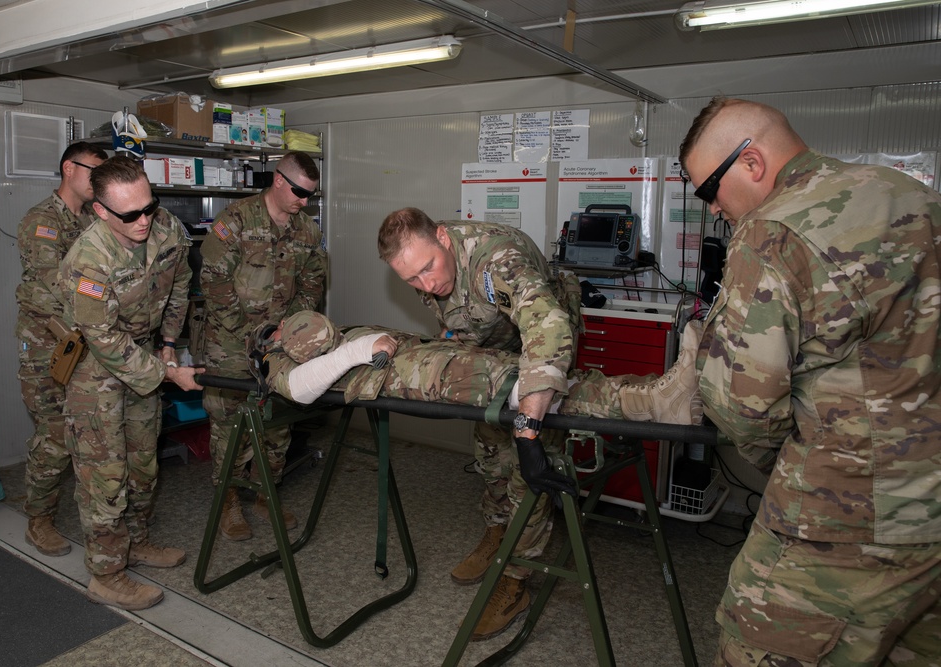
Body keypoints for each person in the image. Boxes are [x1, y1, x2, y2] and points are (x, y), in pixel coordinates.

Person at [680, 96, 941, 666]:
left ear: (750, 162)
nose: (716, 210)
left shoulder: (774, 230)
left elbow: (742, 406)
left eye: (709, 192)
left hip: (843, 521)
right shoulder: (913, 194)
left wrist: (788, 461)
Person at [376, 208, 599, 640]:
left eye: (428, 269)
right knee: (490, 450)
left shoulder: (497, 258)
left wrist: (530, 430)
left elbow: (548, 329)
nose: (426, 285)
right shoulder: (428, 262)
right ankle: (497, 533)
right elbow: (462, 321)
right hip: (497, 352)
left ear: (442, 236)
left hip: (543, 347)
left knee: (529, 470)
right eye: (412, 281)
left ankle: (515, 582)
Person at [58, 156, 205, 611]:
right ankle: (106, 573)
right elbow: (103, 340)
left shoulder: (166, 231)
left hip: (145, 353)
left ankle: (135, 543)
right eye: (130, 214)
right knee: (106, 475)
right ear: (101, 211)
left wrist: (167, 343)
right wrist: (168, 373)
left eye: (149, 207)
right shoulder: (88, 260)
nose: (144, 220)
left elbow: (179, 285)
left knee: (143, 463)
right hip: (94, 370)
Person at [251, 310, 702, 429]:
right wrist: (358, 350)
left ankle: (656, 392)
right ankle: (654, 403)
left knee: (533, 372)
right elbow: (300, 389)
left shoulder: (304, 337)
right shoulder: (276, 360)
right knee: (525, 388)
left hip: (424, 360)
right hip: (414, 375)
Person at [199, 151, 326, 542]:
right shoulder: (235, 221)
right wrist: (246, 333)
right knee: (230, 426)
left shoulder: (307, 231)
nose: (305, 203)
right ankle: (229, 501)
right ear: (278, 180)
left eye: (311, 196)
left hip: (280, 345)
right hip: (231, 342)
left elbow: (312, 281)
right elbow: (213, 281)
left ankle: (265, 494)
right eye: (300, 193)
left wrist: (292, 329)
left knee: (276, 425)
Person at [15, 141, 108, 557]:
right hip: (47, 346)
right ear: (69, 168)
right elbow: (58, 285)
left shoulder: (93, 219)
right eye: (94, 172)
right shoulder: (42, 221)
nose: (99, 182)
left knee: (85, 432)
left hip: (85, 341)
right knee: (53, 433)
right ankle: (38, 517)